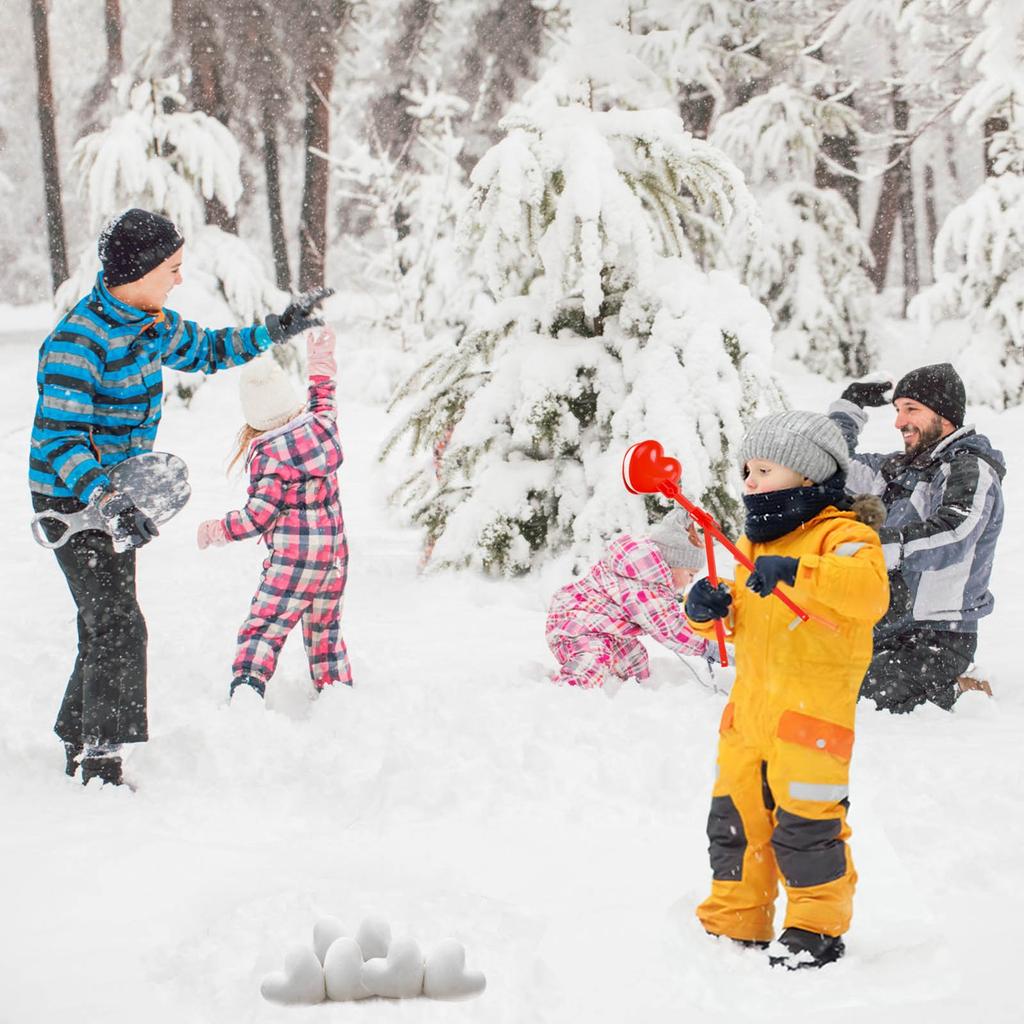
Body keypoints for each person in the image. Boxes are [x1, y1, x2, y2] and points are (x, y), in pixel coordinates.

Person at [30, 208, 331, 786]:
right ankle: (101, 760)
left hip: (114, 494)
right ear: (138, 272)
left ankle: (78, 737)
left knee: (104, 620)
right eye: (171, 269)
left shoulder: (152, 324)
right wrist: (107, 501)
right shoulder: (78, 342)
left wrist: (275, 329)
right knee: (119, 624)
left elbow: (209, 350)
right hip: (70, 499)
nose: (179, 279)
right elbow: (60, 439)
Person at [684, 411, 889, 969]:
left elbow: (869, 594)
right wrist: (707, 610)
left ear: (805, 474)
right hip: (749, 718)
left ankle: (815, 927)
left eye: (763, 469)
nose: (750, 482)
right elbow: (742, 619)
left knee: (808, 829)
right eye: (746, 470)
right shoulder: (754, 542)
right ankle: (736, 918)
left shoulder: (845, 537)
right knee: (734, 824)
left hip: (811, 721)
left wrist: (799, 571)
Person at [829, 363, 1005, 713]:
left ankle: (959, 688)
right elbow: (832, 467)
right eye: (897, 410)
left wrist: (877, 547)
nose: (899, 422)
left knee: (846, 695)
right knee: (812, 674)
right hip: (883, 623)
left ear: (945, 415)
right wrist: (849, 407)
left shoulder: (969, 467)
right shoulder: (898, 468)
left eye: (911, 409)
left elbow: (954, 533)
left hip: (939, 635)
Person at [197, 327, 352, 700]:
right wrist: (319, 358)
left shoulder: (269, 457)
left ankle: (248, 692)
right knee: (325, 630)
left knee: (264, 627)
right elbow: (324, 392)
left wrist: (218, 530)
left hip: (293, 562)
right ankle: (337, 696)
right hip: (333, 557)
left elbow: (257, 518)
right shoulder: (321, 424)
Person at [545, 508, 713, 689]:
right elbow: (671, 629)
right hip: (576, 625)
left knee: (635, 660)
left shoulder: (644, 573)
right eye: (690, 574)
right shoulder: (644, 586)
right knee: (593, 661)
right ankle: (566, 692)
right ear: (673, 564)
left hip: (605, 629)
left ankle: (623, 694)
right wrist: (708, 647)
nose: (691, 581)